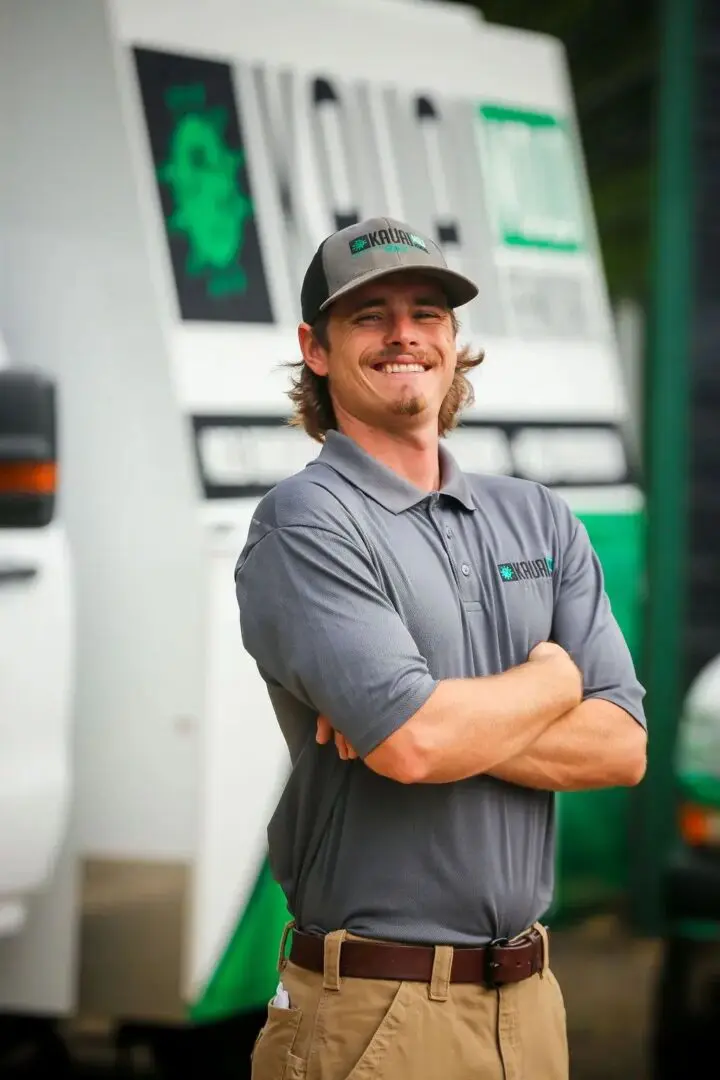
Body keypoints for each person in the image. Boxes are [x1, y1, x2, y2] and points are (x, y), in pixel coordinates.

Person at [234, 216, 648, 1080]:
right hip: (374, 1014)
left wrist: (439, 717)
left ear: (453, 342)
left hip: (532, 1007)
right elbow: (415, 743)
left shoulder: (538, 518)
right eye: (369, 315)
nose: (404, 336)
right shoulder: (307, 521)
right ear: (315, 348)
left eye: (428, 312)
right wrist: (556, 677)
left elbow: (622, 746)